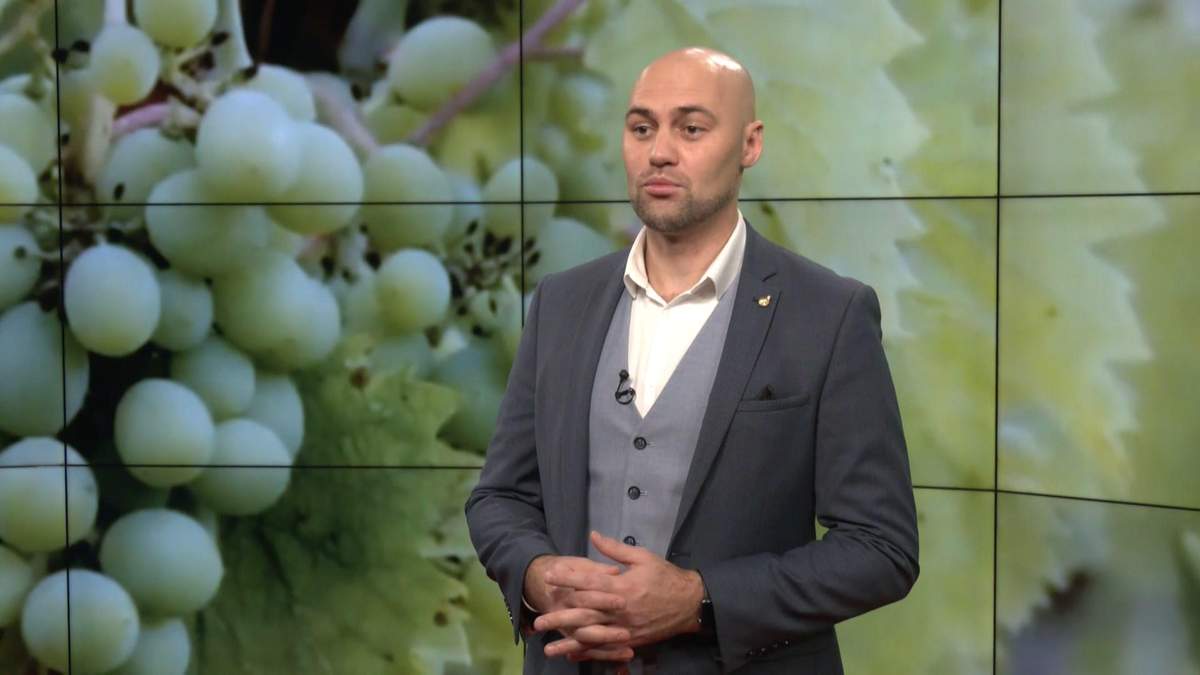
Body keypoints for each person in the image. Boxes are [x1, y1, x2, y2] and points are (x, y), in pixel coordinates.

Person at [465, 46, 920, 674]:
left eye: (692, 128)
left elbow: (880, 548)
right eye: (641, 128)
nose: (659, 152)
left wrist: (699, 601)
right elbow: (499, 497)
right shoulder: (562, 302)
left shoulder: (830, 313)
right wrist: (539, 576)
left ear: (750, 144)